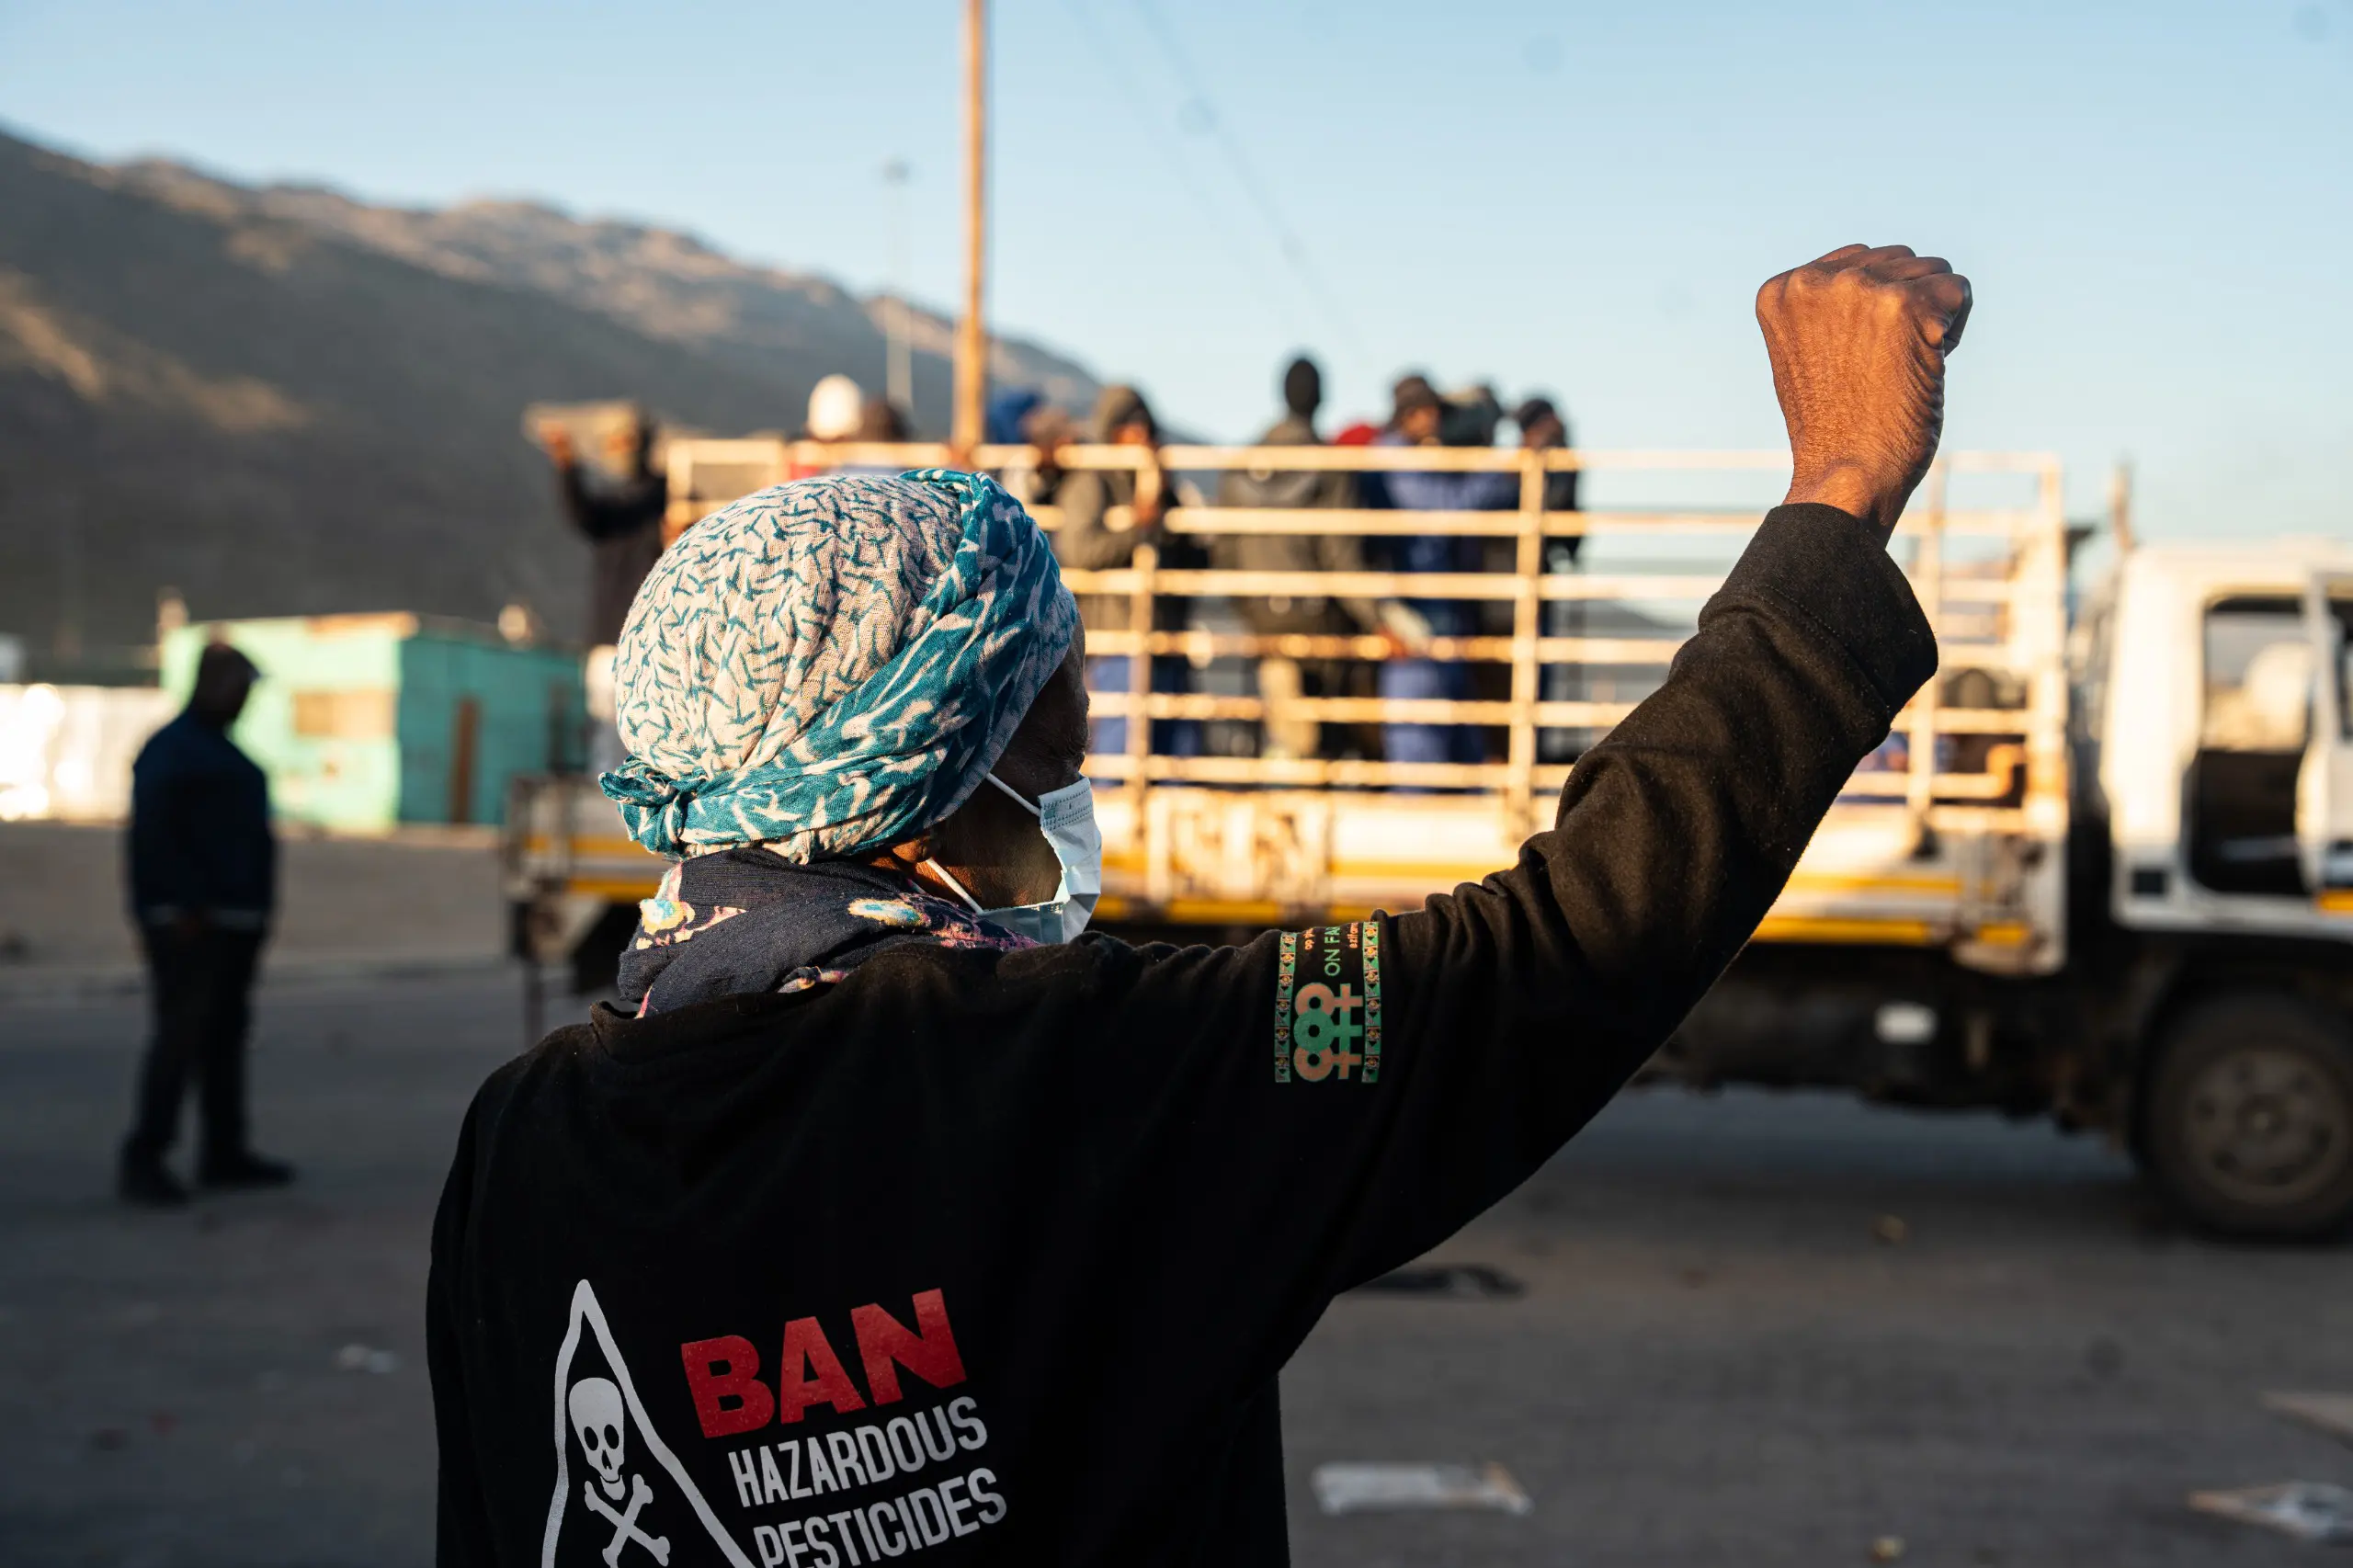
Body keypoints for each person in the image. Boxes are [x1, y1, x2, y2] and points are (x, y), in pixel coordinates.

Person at [430, 243, 1968, 1564]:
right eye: (1053, 711)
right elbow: (1561, 948)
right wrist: (1836, 497)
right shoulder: (1107, 1068)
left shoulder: (521, 1146)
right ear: (923, 761)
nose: (1088, 748)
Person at [119, 642, 291, 1206]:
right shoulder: (172, 753)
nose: (245, 699)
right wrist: (179, 907)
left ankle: (224, 1151)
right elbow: (154, 837)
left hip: (234, 923)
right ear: (217, 685)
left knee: (225, 1040)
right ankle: (146, 1156)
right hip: (192, 925)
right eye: (241, 687)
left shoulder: (221, 754)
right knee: (180, 1038)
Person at [1215, 356, 1426, 760]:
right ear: (1320, 398)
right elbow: (1341, 560)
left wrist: (1251, 612)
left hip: (1264, 623)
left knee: (1285, 729)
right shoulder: (1330, 465)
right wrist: (1379, 619)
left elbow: (1226, 554)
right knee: (1326, 740)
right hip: (1319, 624)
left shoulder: (1241, 467)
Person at [1371, 375, 1518, 771]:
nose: (1435, 419)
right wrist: (1503, 474)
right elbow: (1446, 510)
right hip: (1414, 622)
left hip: (1439, 619)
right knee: (1417, 754)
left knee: (1460, 746)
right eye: (1427, 410)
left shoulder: (1416, 456)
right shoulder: (1393, 457)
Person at [1051, 383, 1202, 758]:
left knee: (1174, 760)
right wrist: (1139, 526)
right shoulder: (1092, 481)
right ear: (1111, 431)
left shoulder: (1163, 486)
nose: (1141, 436)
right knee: (1118, 757)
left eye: (1145, 426)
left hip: (1164, 640)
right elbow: (1078, 549)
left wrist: (1163, 503)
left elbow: (1195, 557)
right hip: (1116, 643)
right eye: (1129, 426)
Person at [540, 410, 668, 650]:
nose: (618, 450)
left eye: (626, 441)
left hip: (649, 641)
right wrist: (567, 469)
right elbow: (584, 514)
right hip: (609, 638)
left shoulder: (665, 497)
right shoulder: (617, 503)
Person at [1516, 394, 1587, 763]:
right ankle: (1521, 752)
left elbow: (1567, 524)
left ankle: (1525, 752)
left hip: (1530, 578)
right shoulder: (1536, 463)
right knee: (1523, 671)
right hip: (1514, 581)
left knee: (1532, 672)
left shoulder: (1561, 462)